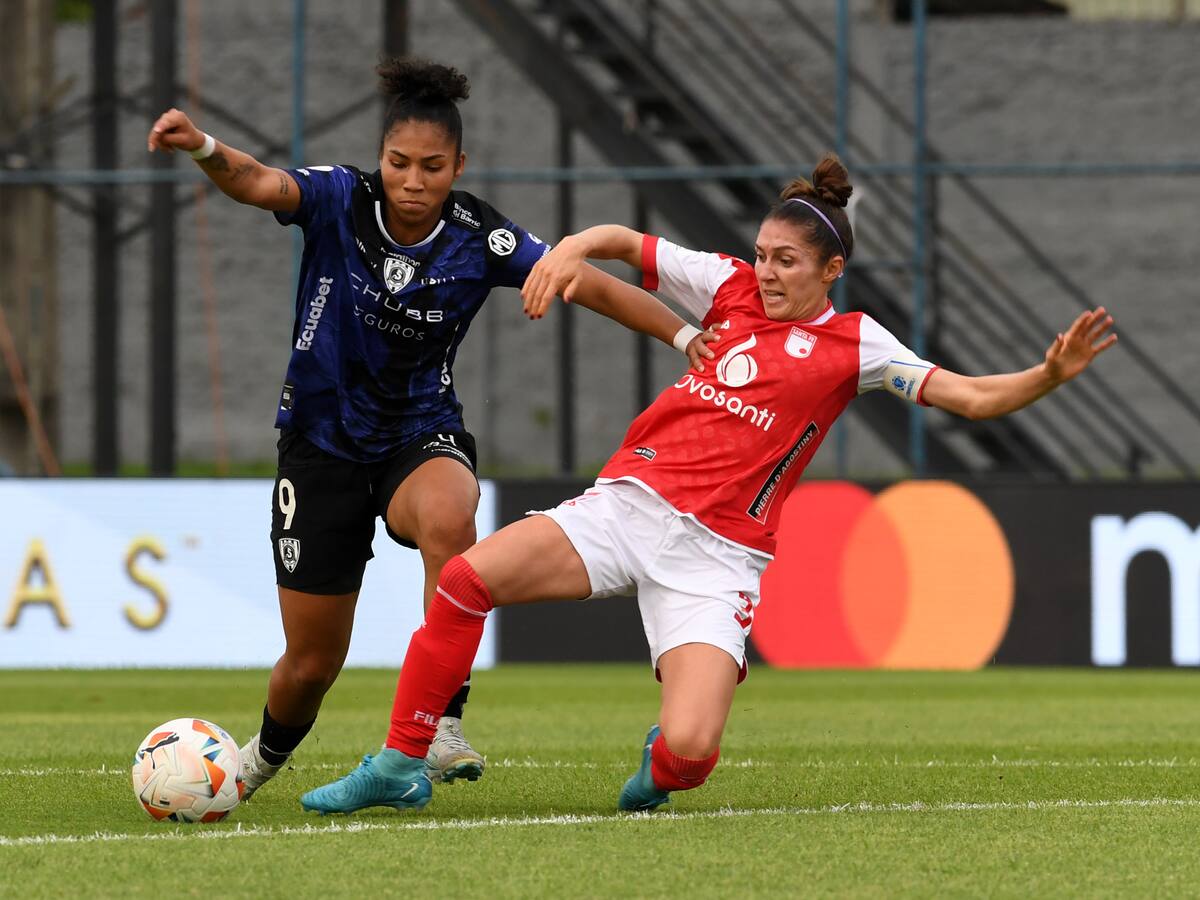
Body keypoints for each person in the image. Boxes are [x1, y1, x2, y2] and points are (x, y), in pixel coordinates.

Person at [300, 153, 1117, 815]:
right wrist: (573, 252)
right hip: (624, 509)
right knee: (469, 579)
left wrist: (1047, 374)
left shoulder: (854, 343)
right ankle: (400, 762)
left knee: (691, 754)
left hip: (716, 560)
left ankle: (656, 776)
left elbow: (972, 398)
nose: (767, 273)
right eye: (763, 254)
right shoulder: (725, 283)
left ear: (831, 270)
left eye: (787, 261)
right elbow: (625, 238)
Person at [145, 58, 715, 800]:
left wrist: (684, 340)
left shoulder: (481, 237)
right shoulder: (339, 199)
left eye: (432, 167)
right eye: (399, 164)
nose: (413, 182)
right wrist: (202, 146)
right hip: (319, 446)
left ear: (459, 167)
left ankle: (440, 725)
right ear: (381, 159)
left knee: (453, 514)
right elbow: (257, 181)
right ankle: (254, 765)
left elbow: (592, 284)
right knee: (311, 664)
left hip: (419, 435)